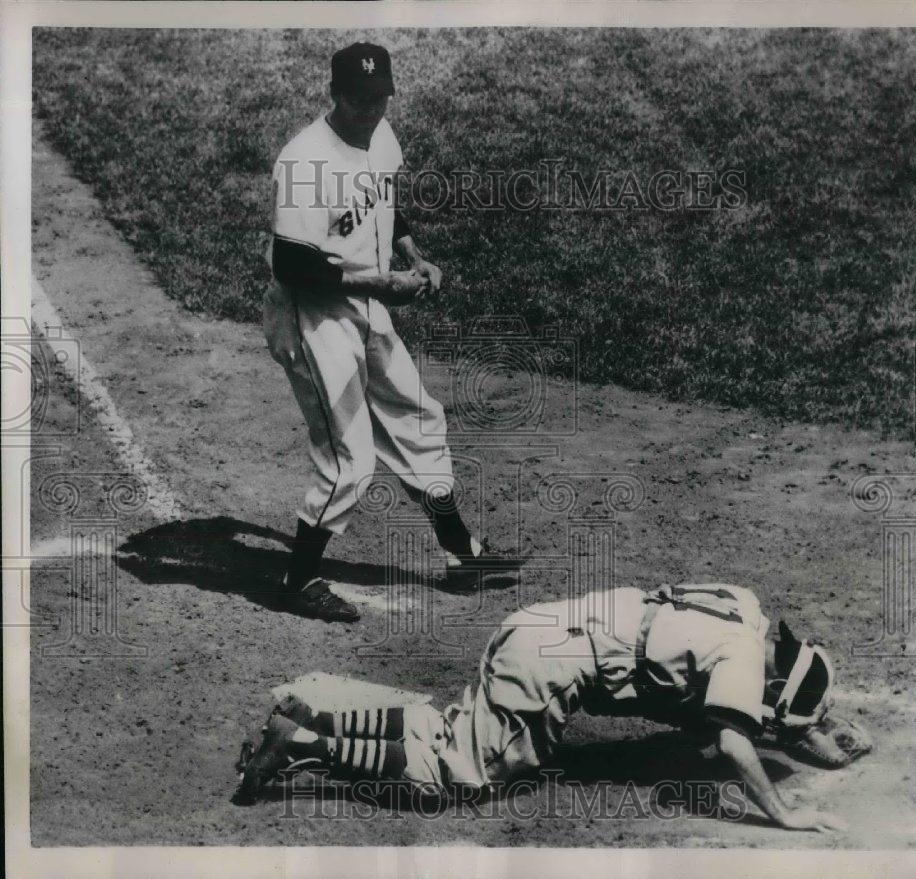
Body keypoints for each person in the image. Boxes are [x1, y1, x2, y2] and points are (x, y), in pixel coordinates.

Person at [235, 582, 863, 832]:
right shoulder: (743, 665)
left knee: (457, 730)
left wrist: (815, 726)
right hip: (552, 666)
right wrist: (783, 813)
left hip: (546, 626)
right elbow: (732, 739)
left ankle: (316, 717)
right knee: (462, 776)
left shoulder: (743, 607)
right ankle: (303, 746)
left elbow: (696, 696)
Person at [265, 42, 515, 623]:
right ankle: (299, 581)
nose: (371, 110)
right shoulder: (303, 162)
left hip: (366, 300)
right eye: (359, 100)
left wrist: (414, 255)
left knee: (417, 417)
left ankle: (462, 555)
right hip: (313, 315)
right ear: (335, 94)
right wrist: (380, 283)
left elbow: (385, 203)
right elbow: (293, 265)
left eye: (379, 98)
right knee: (349, 458)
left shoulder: (380, 136)